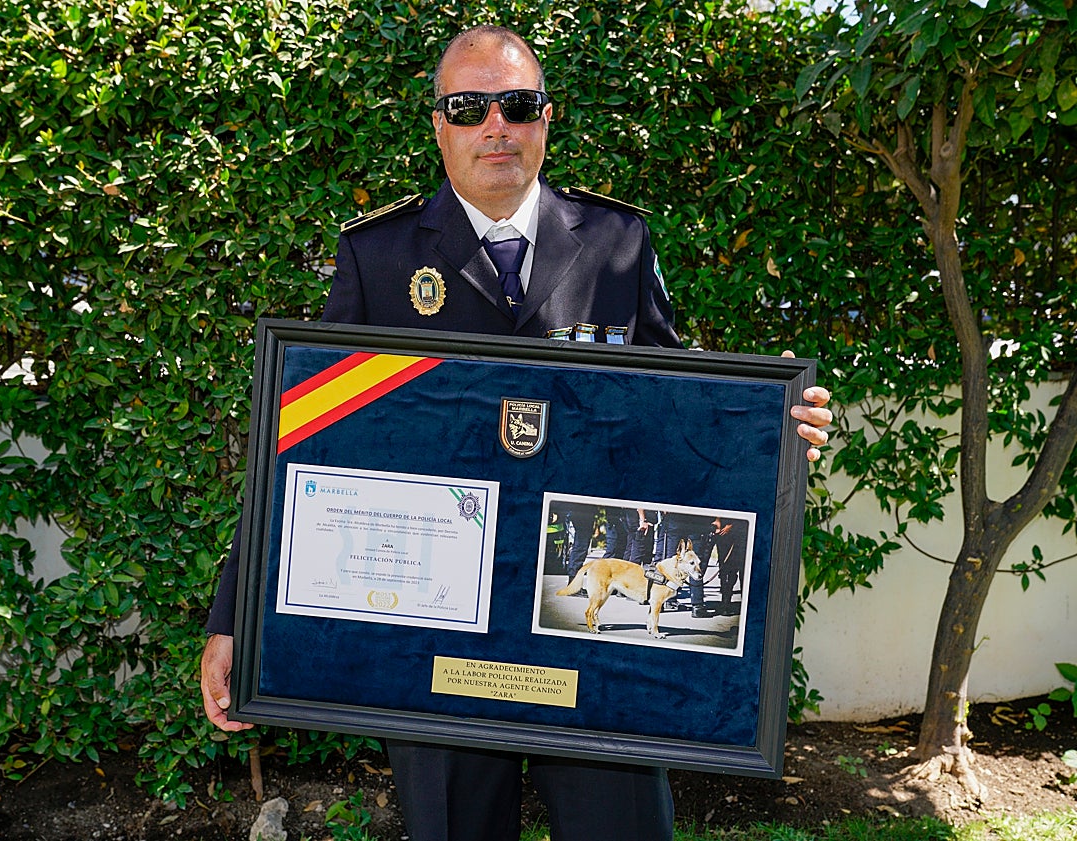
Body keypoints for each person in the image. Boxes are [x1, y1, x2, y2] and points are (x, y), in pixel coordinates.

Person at [200, 25, 833, 841]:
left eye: (517, 104)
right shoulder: (380, 257)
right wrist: (232, 615)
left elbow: (677, 416)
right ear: (439, 125)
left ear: (546, 118)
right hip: (438, 631)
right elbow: (307, 446)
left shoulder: (616, 244)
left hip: (587, 638)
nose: (495, 125)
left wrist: (768, 424)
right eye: (469, 107)